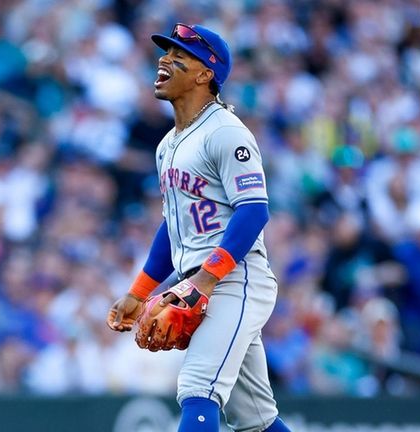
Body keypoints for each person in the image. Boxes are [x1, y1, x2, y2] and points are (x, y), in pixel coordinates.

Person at [106, 24, 291, 432]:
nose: (163, 60)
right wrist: (139, 293)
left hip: (234, 279)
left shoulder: (225, 131)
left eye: (179, 57)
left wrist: (205, 282)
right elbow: (172, 227)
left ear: (205, 74)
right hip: (200, 281)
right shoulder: (167, 144)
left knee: (197, 388)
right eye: (164, 54)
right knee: (256, 419)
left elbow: (254, 211)